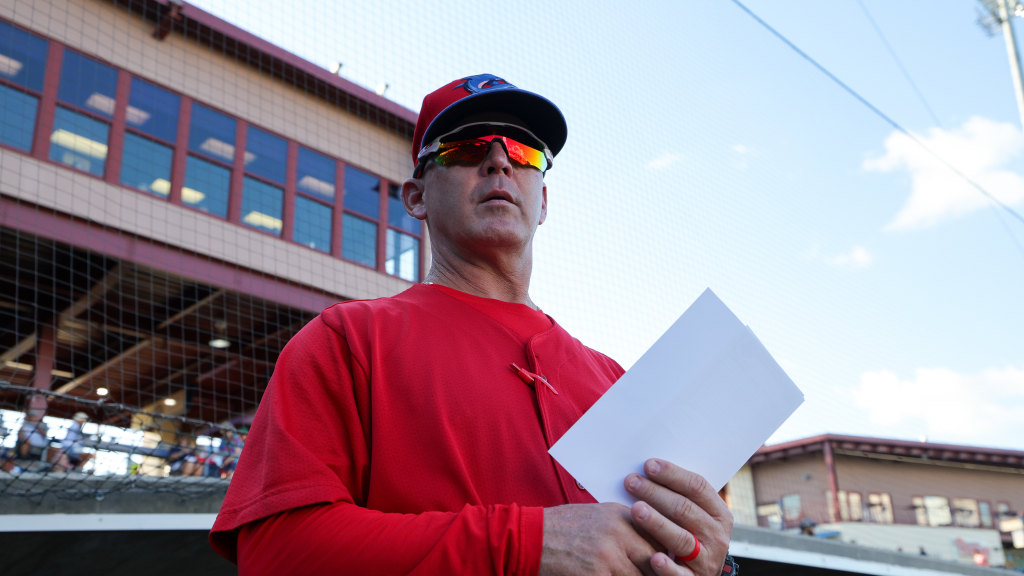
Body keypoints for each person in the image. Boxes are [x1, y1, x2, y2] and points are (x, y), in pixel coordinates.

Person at [210, 74, 736, 575]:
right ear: (416, 197)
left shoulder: (614, 379)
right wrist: (524, 545)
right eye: (467, 148)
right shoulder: (348, 339)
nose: (500, 162)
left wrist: (702, 559)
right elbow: (276, 552)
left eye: (524, 152)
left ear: (543, 201)